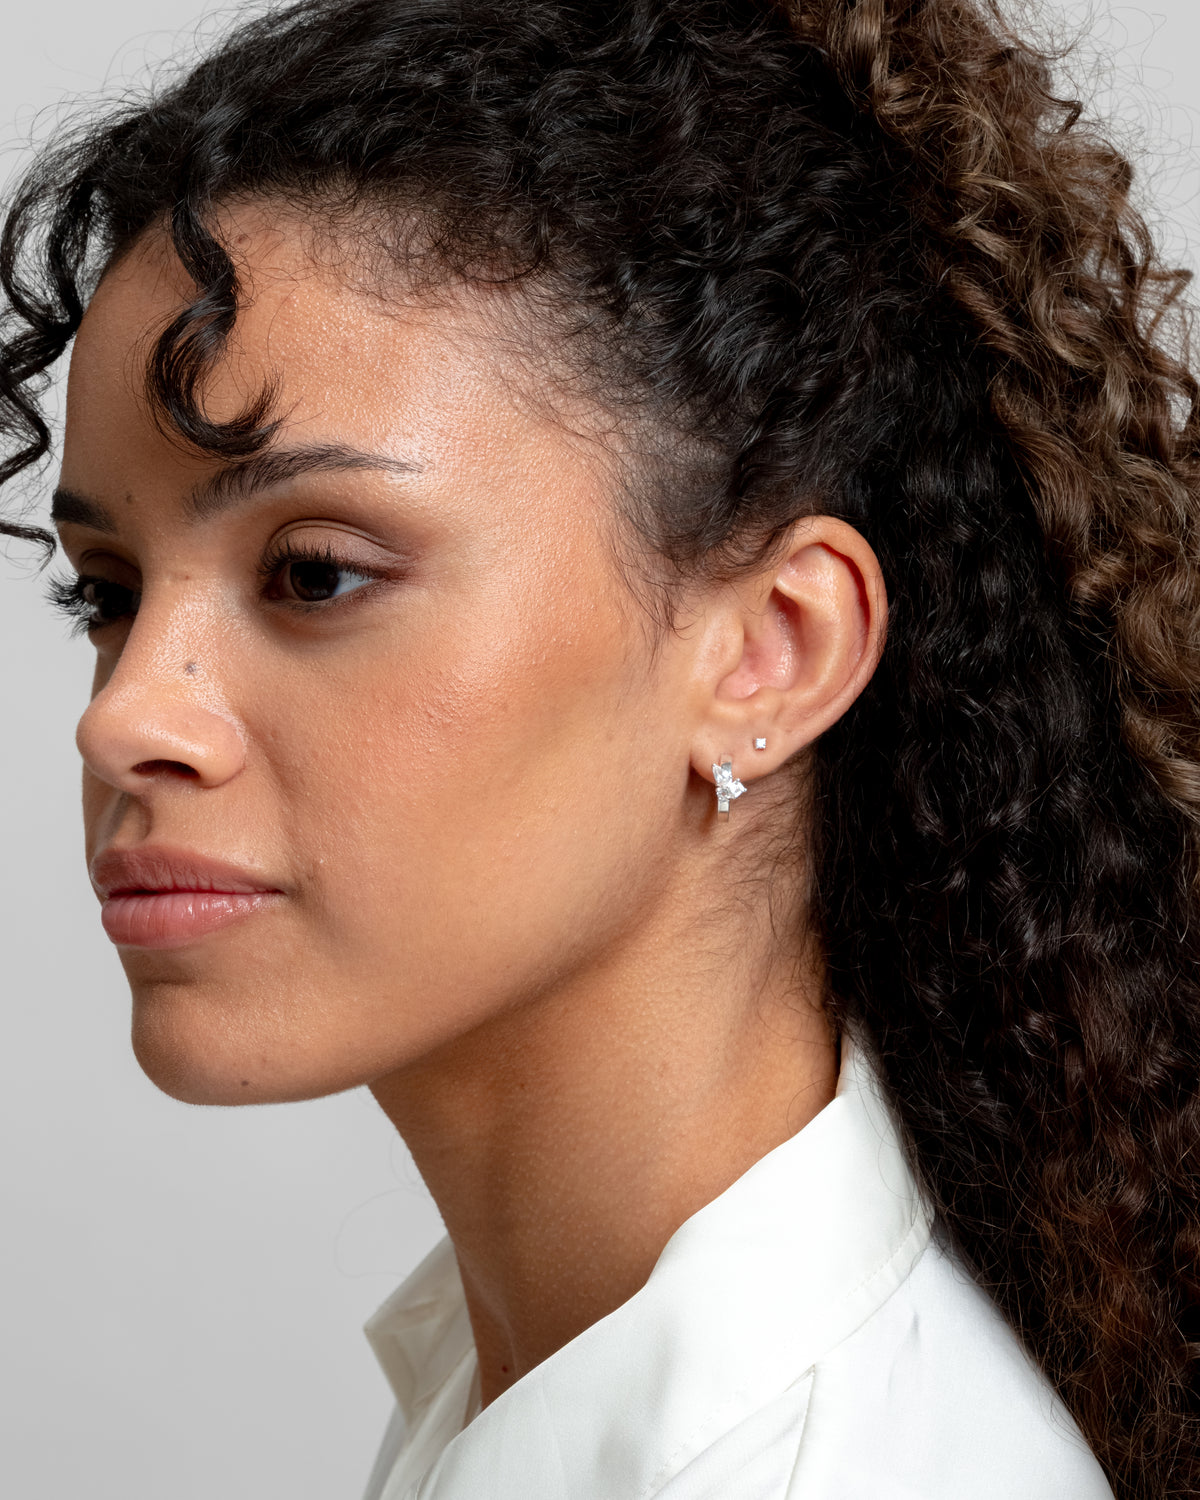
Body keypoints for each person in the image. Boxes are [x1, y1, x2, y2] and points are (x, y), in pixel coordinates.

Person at [3, 0, 1199, 1494]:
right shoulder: (540, 1371)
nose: (125, 717)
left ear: (773, 650)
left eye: (313, 573)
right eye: (106, 596)